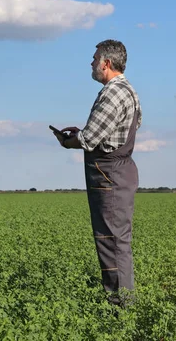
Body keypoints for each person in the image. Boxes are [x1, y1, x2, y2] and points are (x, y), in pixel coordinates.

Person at [54, 39, 142, 307]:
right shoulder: (128, 91)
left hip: (109, 176)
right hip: (118, 173)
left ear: (106, 63)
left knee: (110, 241)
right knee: (117, 241)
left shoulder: (112, 93)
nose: (91, 63)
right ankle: (123, 302)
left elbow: (90, 139)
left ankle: (120, 307)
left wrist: (68, 139)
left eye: (94, 59)